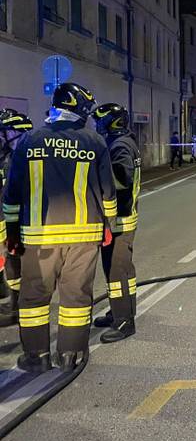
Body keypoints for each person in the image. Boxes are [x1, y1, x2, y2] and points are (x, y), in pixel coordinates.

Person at [3, 83, 117, 372]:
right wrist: (109, 226)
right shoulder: (95, 142)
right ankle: (71, 355)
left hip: (39, 237)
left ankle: (36, 356)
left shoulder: (29, 141)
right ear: (78, 109)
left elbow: (12, 193)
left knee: (34, 298)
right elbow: (109, 193)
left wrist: (12, 234)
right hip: (84, 235)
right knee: (76, 296)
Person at [91, 103, 141, 343]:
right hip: (119, 219)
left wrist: (97, 174)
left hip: (119, 221)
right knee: (117, 270)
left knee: (117, 272)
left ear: (111, 122)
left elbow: (123, 179)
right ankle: (118, 311)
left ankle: (124, 322)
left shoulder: (119, 146)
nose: (97, 125)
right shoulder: (123, 142)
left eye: (100, 121)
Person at [0, 109, 34, 328]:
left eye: (3, 132)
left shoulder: (26, 156)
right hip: (11, 221)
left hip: (25, 222)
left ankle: (22, 307)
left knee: (22, 266)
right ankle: (14, 303)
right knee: (12, 265)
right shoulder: (10, 156)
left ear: (14, 132)